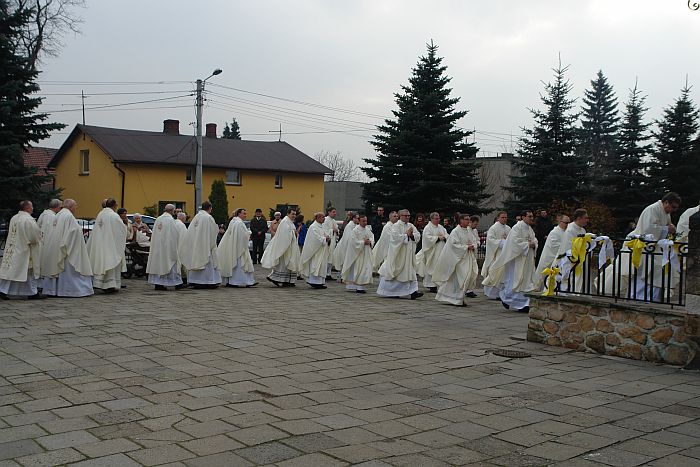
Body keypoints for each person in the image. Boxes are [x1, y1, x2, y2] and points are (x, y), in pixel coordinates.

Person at [602, 192, 681, 301]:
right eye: (673, 207)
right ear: (666, 202)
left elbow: (665, 226)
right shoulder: (652, 209)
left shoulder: (665, 212)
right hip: (643, 246)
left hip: (653, 247)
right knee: (647, 272)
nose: (674, 210)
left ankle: (653, 299)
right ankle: (637, 298)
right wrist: (667, 229)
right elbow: (648, 229)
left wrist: (670, 228)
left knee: (659, 270)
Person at [482, 210, 538, 312]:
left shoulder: (528, 229)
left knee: (525, 281)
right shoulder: (517, 228)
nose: (531, 218)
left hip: (526, 259)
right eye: (529, 216)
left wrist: (534, 244)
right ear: (523, 217)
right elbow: (514, 243)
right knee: (516, 281)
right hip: (517, 260)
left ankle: (523, 303)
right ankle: (512, 300)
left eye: (532, 216)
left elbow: (534, 240)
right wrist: (527, 245)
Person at [40, 199, 93, 297]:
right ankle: (70, 291)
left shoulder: (58, 215)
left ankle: (53, 290)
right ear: (71, 206)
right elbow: (74, 232)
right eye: (75, 206)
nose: (76, 208)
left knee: (57, 269)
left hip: (56, 248)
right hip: (67, 250)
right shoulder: (69, 216)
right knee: (68, 271)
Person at [0, 201, 43, 300]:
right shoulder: (28, 220)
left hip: (12, 248)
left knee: (11, 271)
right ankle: (32, 293)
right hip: (25, 250)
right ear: (27, 208)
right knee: (28, 271)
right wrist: (40, 237)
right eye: (32, 206)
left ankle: (3, 291)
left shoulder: (14, 218)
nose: (33, 208)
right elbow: (33, 237)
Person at [432, 214, 478, 306]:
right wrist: (466, 247)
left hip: (467, 257)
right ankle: (456, 299)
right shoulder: (455, 231)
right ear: (460, 220)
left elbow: (475, 240)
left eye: (469, 219)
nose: (468, 221)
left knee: (467, 277)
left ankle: (459, 298)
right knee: (461, 278)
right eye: (466, 219)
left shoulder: (469, 230)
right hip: (459, 259)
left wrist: (474, 246)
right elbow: (453, 245)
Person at [377, 209, 423, 299]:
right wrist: (406, 235)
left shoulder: (411, 225)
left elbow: (417, 235)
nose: (407, 217)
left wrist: (412, 236)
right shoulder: (396, 226)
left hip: (408, 254)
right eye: (406, 216)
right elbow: (394, 239)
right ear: (401, 216)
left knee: (410, 271)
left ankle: (413, 292)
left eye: (409, 216)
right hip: (399, 254)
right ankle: (392, 292)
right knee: (397, 272)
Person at [88, 198, 127, 293]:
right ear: (114, 205)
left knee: (101, 262)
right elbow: (121, 230)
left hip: (100, 244)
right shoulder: (114, 216)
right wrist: (125, 226)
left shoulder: (100, 214)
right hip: (110, 244)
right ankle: (110, 285)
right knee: (110, 262)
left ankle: (99, 283)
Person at [178, 201, 221, 289]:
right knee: (207, 262)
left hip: (195, 244)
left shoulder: (196, 217)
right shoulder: (208, 217)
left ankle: (195, 281)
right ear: (210, 208)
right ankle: (207, 281)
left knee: (196, 259)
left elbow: (190, 232)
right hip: (205, 245)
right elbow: (213, 232)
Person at [146, 204, 184, 291]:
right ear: (172, 211)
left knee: (159, 263)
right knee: (170, 262)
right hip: (167, 247)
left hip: (157, 247)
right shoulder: (170, 220)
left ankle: (158, 284)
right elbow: (175, 235)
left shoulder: (158, 219)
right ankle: (174, 283)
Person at [219, 208, 257, 288]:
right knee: (241, 265)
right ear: (238, 214)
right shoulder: (239, 223)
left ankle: (233, 281)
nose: (245, 215)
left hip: (233, 247)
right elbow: (241, 236)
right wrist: (248, 235)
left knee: (234, 265)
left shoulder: (234, 221)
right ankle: (241, 281)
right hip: (239, 248)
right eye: (244, 213)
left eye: (245, 213)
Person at [262, 209, 301, 287]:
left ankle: (288, 281)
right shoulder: (285, 222)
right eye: (292, 214)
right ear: (288, 214)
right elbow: (284, 234)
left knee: (289, 263)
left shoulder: (290, 222)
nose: (294, 216)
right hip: (285, 247)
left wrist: (295, 233)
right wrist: (294, 233)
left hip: (290, 246)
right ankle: (277, 278)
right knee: (283, 265)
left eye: (295, 214)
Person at [556, 209, 589, 293]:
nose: (587, 220)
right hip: (571, 261)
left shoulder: (582, 230)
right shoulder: (570, 230)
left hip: (581, 260)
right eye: (585, 218)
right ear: (579, 218)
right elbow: (568, 247)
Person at [415, 212, 449, 293]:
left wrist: (444, 237)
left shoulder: (441, 227)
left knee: (440, 268)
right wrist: (437, 238)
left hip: (441, 251)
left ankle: (439, 284)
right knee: (431, 267)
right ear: (432, 219)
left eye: (439, 218)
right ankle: (431, 286)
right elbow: (427, 238)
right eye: (436, 219)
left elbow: (447, 235)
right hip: (432, 252)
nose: (438, 220)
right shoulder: (428, 227)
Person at [534, 215, 569, 290]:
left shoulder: (566, 232)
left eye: (568, 223)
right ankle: (537, 288)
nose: (567, 225)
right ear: (560, 222)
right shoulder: (555, 232)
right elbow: (555, 245)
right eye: (566, 223)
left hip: (559, 257)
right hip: (549, 257)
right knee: (543, 274)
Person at [342, 214, 374, 293]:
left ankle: (360, 286)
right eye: (363, 221)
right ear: (359, 221)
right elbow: (353, 242)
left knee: (365, 269)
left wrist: (370, 241)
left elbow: (372, 237)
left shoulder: (367, 229)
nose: (365, 223)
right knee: (359, 269)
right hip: (358, 254)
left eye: (366, 221)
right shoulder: (355, 230)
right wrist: (363, 242)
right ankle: (358, 287)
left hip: (366, 253)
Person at [300, 212, 331, 289]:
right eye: (323, 217)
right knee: (315, 265)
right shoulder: (313, 227)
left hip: (322, 250)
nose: (324, 219)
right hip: (316, 251)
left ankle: (320, 282)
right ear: (317, 218)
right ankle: (314, 281)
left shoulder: (321, 226)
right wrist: (324, 239)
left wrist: (327, 237)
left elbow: (324, 235)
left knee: (321, 265)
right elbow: (315, 238)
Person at [480, 211, 511, 283]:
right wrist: (502, 242)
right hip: (496, 252)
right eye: (502, 217)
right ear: (498, 218)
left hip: (505, 253)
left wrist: (508, 243)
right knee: (495, 270)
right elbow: (490, 240)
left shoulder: (508, 228)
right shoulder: (493, 228)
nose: (504, 219)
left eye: (505, 217)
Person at [464, 215, 481, 298]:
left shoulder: (475, 230)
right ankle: (466, 290)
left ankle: (470, 289)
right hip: (467, 254)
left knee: (474, 272)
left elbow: (478, 240)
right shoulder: (466, 230)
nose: (476, 226)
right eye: (474, 224)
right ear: (470, 222)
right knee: (468, 272)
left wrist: (477, 244)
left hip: (474, 253)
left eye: (477, 224)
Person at [322, 207, 339, 280]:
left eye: (335, 212)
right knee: (327, 257)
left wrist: (336, 231)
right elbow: (324, 230)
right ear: (329, 212)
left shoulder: (334, 221)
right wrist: (332, 230)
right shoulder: (325, 220)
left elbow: (337, 230)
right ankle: (325, 273)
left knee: (331, 258)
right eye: (333, 212)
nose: (335, 213)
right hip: (328, 242)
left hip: (333, 241)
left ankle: (329, 273)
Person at [175, 212, 188, 284]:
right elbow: (185, 238)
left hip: (174, 247)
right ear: (183, 218)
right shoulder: (181, 225)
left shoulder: (173, 223)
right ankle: (183, 281)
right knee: (182, 264)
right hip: (181, 247)